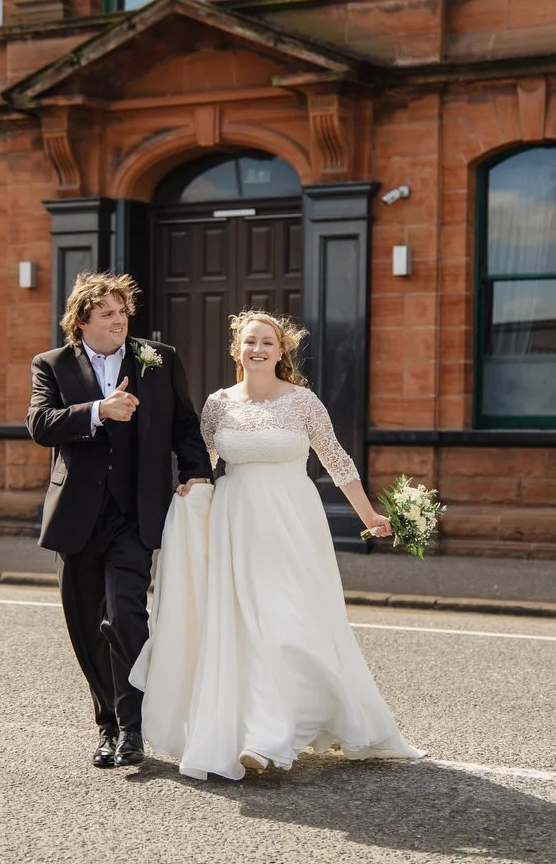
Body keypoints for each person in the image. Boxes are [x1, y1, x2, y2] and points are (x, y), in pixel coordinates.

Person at [132, 311, 425, 781]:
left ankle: (285, 728)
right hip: (235, 525)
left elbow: (337, 460)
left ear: (281, 350)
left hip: (292, 524)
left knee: (290, 624)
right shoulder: (218, 404)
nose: (258, 349)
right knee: (245, 626)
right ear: (237, 350)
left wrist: (369, 515)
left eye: (268, 342)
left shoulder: (303, 402)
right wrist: (189, 487)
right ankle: (265, 738)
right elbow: (201, 460)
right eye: (250, 342)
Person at [25, 271, 212, 769]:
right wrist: (98, 410)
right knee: (87, 626)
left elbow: (184, 425)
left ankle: (133, 728)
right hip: (78, 521)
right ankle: (107, 724)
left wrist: (197, 474)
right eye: (107, 313)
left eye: (123, 312)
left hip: (135, 514)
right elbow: (40, 426)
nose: (119, 320)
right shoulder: (52, 365)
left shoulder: (159, 358)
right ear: (82, 320)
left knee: (125, 616)